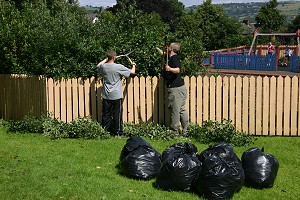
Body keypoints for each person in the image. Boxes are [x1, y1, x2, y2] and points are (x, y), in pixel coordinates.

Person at [96, 50, 136, 137]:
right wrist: (133, 65)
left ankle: (105, 132)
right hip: (116, 95)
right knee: (117, 114)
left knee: (106, 114)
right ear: (114, 57)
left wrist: (105, 59)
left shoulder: (104, 67)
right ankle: (118, 133)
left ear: (108, 57)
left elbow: (98, 66)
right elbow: (132, 73)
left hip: (106, 94)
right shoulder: (118, 67)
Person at [157, 42, 189, 135]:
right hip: (180, 87)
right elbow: (164, 55)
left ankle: (174, 132)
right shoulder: (170, 57)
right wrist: (160, 51)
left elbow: (178, 70)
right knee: (182, 110)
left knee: (175, 110)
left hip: (176, 89)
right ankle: (186, 131)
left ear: (171, 48)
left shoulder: (174, 59)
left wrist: (170, 69)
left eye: (169, 47)